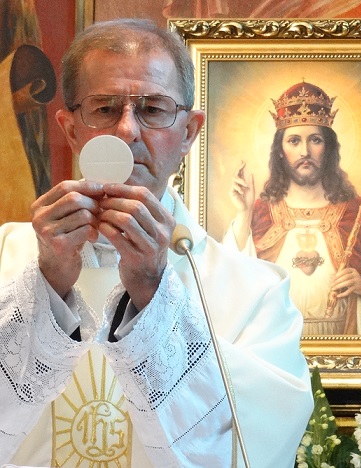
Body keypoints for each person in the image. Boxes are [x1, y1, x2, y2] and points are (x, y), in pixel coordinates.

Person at [0, 19, 313, 467]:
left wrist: (153, 290)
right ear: (70, 130)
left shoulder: (255, 293)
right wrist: (45, 284)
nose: (127, 130)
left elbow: (253, 445)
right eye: (104, 108)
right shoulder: (5, 256)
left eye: (152, 109)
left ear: (189, 132)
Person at [225, 81, 361, 337]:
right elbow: (228, 287)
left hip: (343, 352)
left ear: (328, 148)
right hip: (274, 348)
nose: (305, 151)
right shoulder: (259, 214)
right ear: (280, 151)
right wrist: (244, 214)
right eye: (294, 141)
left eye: (315, 140)